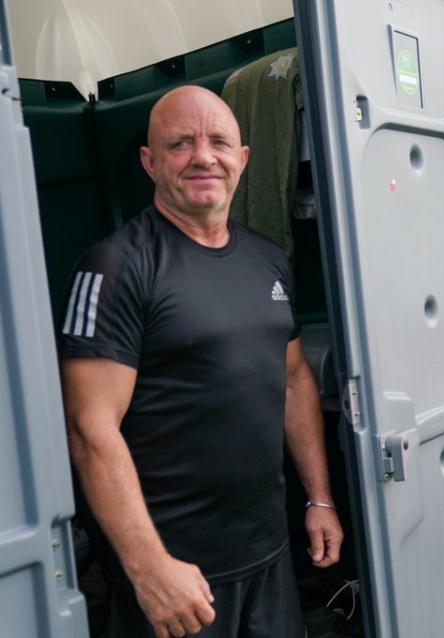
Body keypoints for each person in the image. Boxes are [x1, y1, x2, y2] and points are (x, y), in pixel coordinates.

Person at [60, 85, 343, 638]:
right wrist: (150, 569)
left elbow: (292, 381)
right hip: (173, 572)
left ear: (242, 159)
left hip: (268, 555)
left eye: (219, 142)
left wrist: (320, 497)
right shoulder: (115, 268)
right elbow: (89, 429)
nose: (203, 156)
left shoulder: (268, 259)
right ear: (149, 162)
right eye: (180, 144)